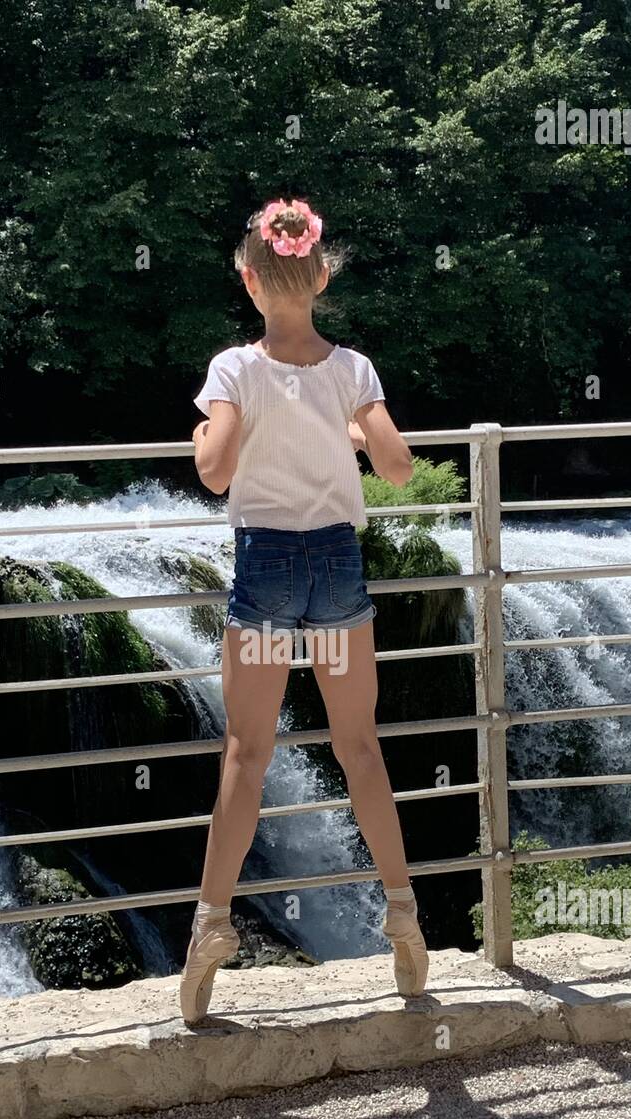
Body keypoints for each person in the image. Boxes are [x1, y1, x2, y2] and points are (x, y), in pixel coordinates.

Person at [181, 197, 429, 1024]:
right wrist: (347, 436)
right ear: (321, 276)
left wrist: (213, 436)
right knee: (358, 746)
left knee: (247, 755)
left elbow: (214, 472)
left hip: (268, 575)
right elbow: (395, 467)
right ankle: (402, 914)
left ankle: (211, 932)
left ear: (250, 280)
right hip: (336, 569)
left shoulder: (234, 370)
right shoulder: (352, 369)